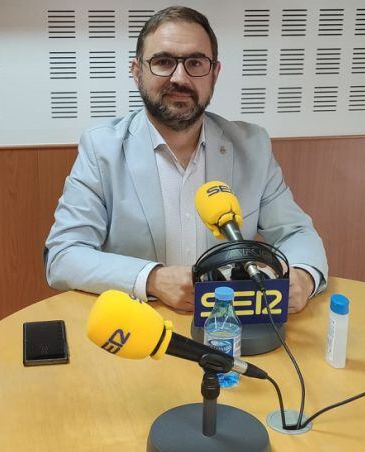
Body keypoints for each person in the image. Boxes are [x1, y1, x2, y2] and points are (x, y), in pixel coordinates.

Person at [43, 6, 328, 314]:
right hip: (141, 328)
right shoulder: (102, 149)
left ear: (214, 74)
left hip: (229, 327)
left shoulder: (251, 146)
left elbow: (296, 233)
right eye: (163, 61)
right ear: (137, 71)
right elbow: (64, 255)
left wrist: (303, 276)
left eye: (195, 63)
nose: (180, 77)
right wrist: (153, 279)